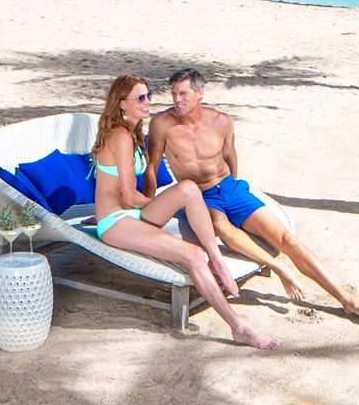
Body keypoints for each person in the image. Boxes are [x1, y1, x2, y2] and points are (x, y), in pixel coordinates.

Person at [147, 67, 359, 320]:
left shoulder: (222, 121)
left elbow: (230, 156)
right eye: (173, 93)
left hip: (230, 189)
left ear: (200, 93)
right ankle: (278, 267)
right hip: (199, 196)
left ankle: (346, 299)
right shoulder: (162, 124)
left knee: (287, 240)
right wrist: (146, 203)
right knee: (221, 226)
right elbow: (152, 166)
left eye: (183, 93)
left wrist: (236, 187)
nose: (177, 100)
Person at [89, 74, 278, 349]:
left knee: (189, 188)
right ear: (121, 104)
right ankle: (239, 327)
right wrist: (156, 205)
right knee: (192, 255)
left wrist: (161, 202)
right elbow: (129, 197)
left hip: (131, 215)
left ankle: (217, 260)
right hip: (116, 221)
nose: (148, 102)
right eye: (140, 98)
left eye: (149, 95)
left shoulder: (131, 132)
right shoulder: (121, 137)